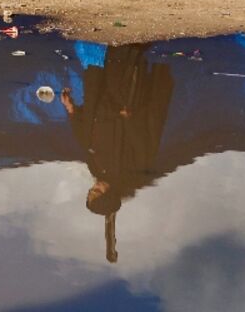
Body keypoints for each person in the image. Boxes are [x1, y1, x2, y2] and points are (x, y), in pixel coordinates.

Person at [61, 43, 173, 263]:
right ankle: (129, 44)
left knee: (101, 70)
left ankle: (115, 45)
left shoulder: (95, 168)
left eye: (91, 192)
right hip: (122, 108)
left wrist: (72, 111)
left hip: (98, 107)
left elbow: (85, 140)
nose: (93, 187)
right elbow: (142, 142)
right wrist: (127, 119)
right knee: (121, 66)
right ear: (108, 193)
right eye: (96, 192)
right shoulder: (130, 169)